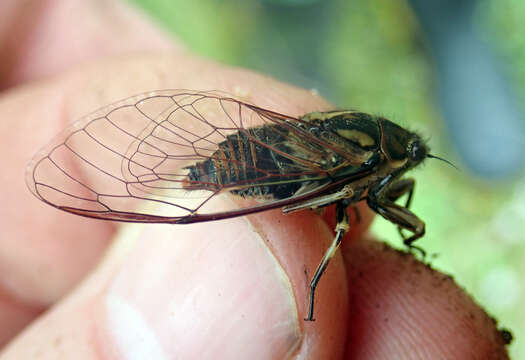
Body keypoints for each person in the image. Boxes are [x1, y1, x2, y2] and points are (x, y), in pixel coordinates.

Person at [0, 1, 510, 358]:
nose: (406, 173)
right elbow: (349, 208)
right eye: (406, 160)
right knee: (333, 228)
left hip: (287, 151)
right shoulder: (368, 167)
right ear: (392, 156)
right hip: (276, 169)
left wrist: (400, 223)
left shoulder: (377, 162)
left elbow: (377, 197)